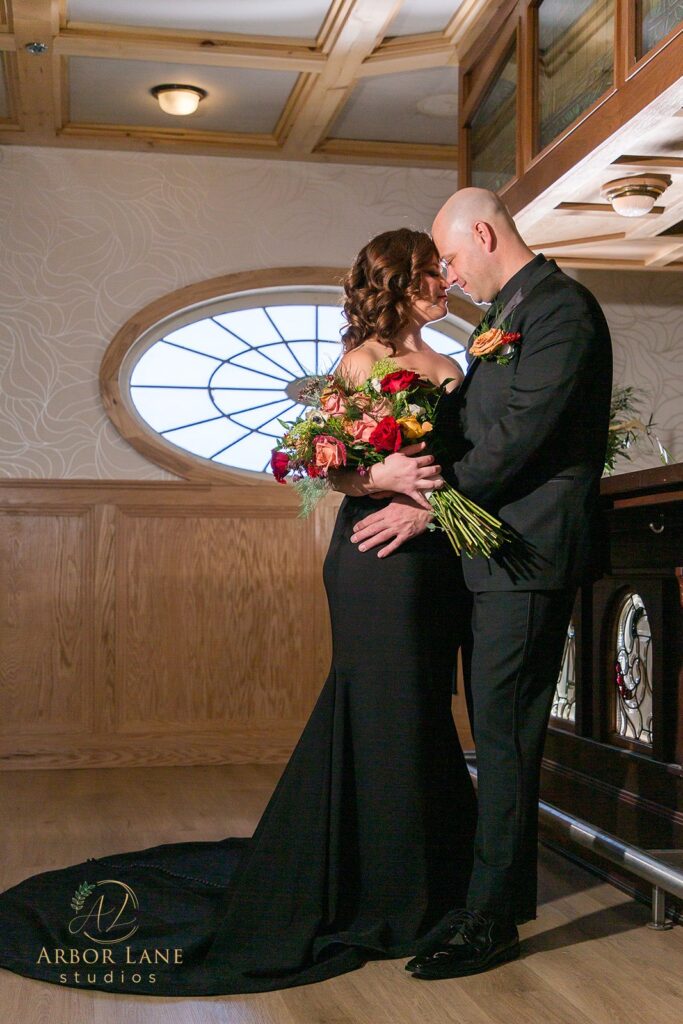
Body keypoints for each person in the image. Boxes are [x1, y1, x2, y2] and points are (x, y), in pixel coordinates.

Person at [0, 228, 478, 996]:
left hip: (435, 555)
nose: (440, 284)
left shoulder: (452, 365)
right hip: (370, 560)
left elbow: (465, 465)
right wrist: (379, 471)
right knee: (378, 704)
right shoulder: (359, 364)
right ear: (393, 283)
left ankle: (432, 877)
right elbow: (327, 466)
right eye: (426, 274)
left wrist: (436, 494)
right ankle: (383, 891)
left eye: (440, 273)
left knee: (422, 708)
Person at [351, 188, 613, 979]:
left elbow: (522, 437)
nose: (451, 277)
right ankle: (480, 895)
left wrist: (429, 508)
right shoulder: (510, 315)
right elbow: (476, 429)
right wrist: (379, 475)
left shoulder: (559, 308)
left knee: (503, 740)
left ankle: (489, 922)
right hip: (489, 557)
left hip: (526, 558)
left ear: (484, 233)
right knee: (491, 735)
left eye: (453, 260)